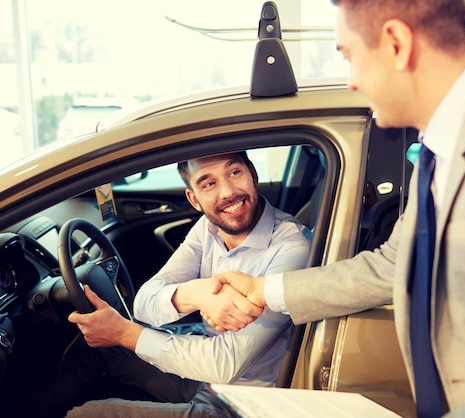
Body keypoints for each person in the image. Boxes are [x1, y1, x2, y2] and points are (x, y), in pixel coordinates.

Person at [207, 1, 465, 417]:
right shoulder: (440, 151)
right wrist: (267, 290)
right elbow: (394, 264)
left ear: (396, 43)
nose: (352, 82)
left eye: (350, 57)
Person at [42, 151, 310, 418]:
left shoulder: (291, 248)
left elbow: (226, 364)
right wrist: (196, 294)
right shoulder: (208, 229)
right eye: (209, 183)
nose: (228, 191)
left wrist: (124, 333)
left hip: (243, 403)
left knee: (87, 415)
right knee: (94, 347)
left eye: (234, 172)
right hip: (203, 374)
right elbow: (144, 303)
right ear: (194, 199)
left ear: (252, 173)